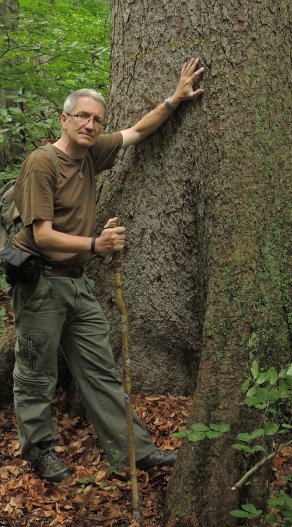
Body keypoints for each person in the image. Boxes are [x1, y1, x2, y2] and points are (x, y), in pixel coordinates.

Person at [10, 58, 204, 482]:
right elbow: (41, 235)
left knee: (101, 372)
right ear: (64, 119)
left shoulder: (92, 154)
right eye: (82, 116)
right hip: (40, 284)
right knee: (37, 372)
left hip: (77, 286)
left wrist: (175, 98)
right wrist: (97, 244)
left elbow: (136, 132)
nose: (91, 124)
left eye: (97, 119)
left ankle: (134, 451)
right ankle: (39, 452)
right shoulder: (42, 163)